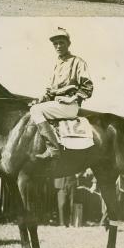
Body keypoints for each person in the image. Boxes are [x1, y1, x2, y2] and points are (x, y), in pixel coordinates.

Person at [30, 27, 93, 159]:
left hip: (70, 105)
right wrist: (42, 97)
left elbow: (88, 86)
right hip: (57, 104)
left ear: (68, 44)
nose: (58, 46)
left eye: (61, 43)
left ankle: (53, 149)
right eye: (55, 43)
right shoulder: (56, 65)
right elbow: (50, 91)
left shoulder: (78, 62)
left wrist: (72, 99)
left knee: (36, 111)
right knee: (33, 107)